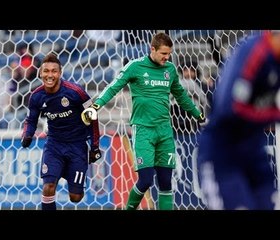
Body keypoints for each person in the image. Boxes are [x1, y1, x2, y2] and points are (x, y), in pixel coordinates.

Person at [81, 32, 206, 210]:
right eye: (163, 53)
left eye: (169, 54)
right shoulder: (135, 67)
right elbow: (113, 87)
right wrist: (95, 106)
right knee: (146, 180)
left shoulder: (169, 69)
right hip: (143, 131)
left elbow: (181, 95)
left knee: (165, 182)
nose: (166, 57)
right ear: (152, 49)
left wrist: (197, 114)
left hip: (164, 132)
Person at [197, 30, 280, 210]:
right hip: (223, 153)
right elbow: (230, 108)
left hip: (254, 152)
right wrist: (274, 115)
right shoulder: (254, 52)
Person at [21, 53, 102, 210]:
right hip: (54, 145)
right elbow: (31, 120)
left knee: (76, 197)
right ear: (40, 73)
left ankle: (66, 169)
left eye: (54, 71)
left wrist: (95, 146)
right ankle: (57, 169)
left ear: (60, 73)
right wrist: (27, 134)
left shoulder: (76, 92)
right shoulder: (36, 96)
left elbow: (93, 116)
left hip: (77, 145)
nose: (49, 75)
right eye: (46, 71)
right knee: (48, 186)